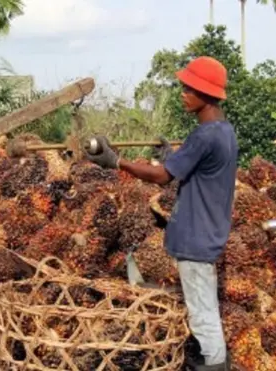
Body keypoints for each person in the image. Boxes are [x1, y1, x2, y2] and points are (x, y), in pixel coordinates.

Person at [85, 56, 238, 371]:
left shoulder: (204, 135)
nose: (183, 93)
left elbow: (162, 177)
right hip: (208, 232)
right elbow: (198, 168)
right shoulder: (223, 132)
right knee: (201, 308)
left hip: (196, 238)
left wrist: (116, 162)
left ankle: (215, 366)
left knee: (203, 314)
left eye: (188, 88)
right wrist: (172, 155)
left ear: (205, 94)